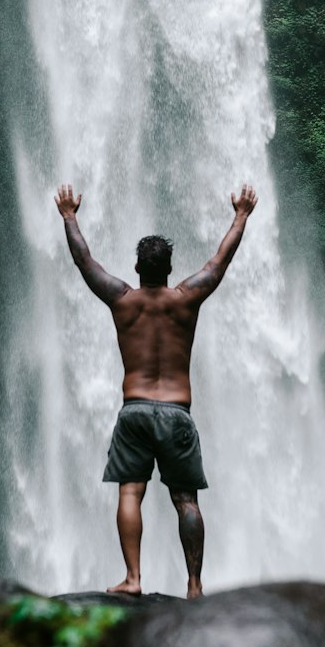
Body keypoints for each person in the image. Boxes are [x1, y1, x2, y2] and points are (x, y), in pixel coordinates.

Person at [54, 182, 258, 599]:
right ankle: (196, 585)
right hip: (177, 414)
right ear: (169, 268)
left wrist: (70, 216)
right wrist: (240, 215)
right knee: (186, 500)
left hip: (135, 412)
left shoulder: (122, 301)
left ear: (136, 268)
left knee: (130, 491)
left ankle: (133, 578)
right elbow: (220, 263)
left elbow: (84, 261)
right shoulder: (187, 299)